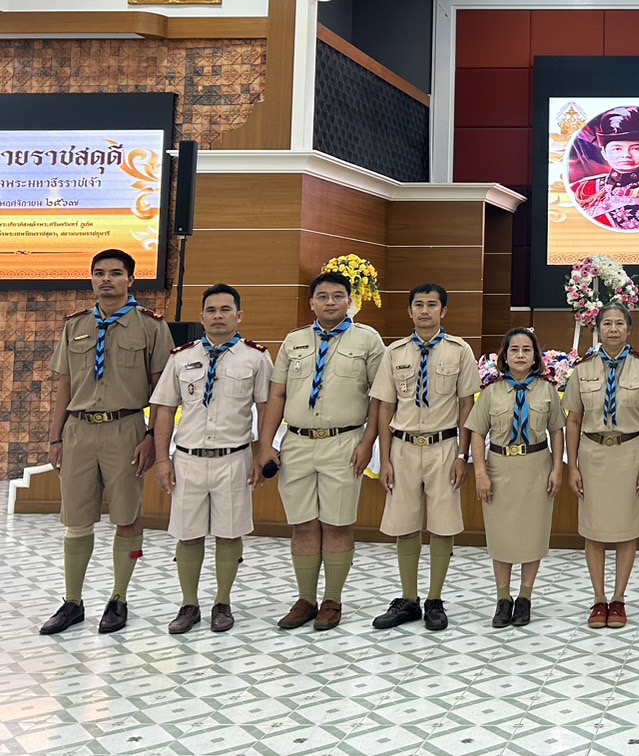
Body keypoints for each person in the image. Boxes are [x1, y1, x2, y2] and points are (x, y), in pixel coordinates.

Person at [41, 248, 172, 635]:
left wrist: (152, 438)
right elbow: (64, 385)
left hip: (126, 429)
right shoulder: (75, 325)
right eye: (99, 273)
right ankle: (72, 601)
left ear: (131, 279)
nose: (106, 280)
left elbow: (161, 391)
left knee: (127, 518)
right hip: (79, 432)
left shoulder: (150, 326)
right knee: (77, 520)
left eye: (116, 273)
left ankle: (118, 598)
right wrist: (54, 438)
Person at [256, 272, 385, 632]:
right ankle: (306, 599)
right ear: (311, 302)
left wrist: (368, 442)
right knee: (303, 524)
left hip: (343, 443)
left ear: (349, 301)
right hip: (296, 443)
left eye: (338, 296)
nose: (330, 302)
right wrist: (266, 444)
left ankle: (332, 600)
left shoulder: (368, 340)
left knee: (338, 524)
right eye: (323, 297)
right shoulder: (294, 341)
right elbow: (277, 395)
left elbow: (381, 397)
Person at [150, 283, 274, 633]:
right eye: (211, 311)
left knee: (229, 533)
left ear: (239, 315)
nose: (218, 316)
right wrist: (163, 459)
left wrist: (261, 453)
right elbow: (163, 410)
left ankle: (223, 602)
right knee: (187, 535)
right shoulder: (182, 357)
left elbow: (266, 409)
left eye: (225, 310)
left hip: (233, 459)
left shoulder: (256, 357)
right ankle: (189, 604)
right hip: (187, 459)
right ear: (201, 316)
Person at [369, 284, 480, 633]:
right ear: (409, 311)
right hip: (402, 446)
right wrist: (384, 458)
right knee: (404, 523)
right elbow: (385, 407)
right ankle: (408, 599)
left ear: (443, 312)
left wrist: (463, 455)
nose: (425, 311)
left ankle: (435, 599)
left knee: (443, 523)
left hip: (444, 446)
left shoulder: (460, 351)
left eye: (432, 305)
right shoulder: (394, 352)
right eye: (418, 304)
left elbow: (467, 407)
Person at [566, 303, 639, 630]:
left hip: (630, 455)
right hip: (593, 455)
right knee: (593, 531)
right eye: (607, 323)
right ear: (598, 330)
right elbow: (574, 420)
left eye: (619, 323)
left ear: (628, 328)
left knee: (627, 530)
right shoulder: (583, 370)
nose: (612, 329)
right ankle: (598, 599)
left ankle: (619, 598)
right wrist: (573, 466)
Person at [465, 328, 566, 628]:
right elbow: (476, 433)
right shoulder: (491, 392)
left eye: (526, 350)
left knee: (533, 535)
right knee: (501, 536)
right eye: (514, 350)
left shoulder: (546, 390)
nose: (520, 355)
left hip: (536, 467)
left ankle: (524, 597)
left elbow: (557, 431)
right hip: (499, 469)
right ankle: (502, 598)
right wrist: (480, 473)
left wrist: (557, 468)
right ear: (504, 357)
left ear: (535, 357)